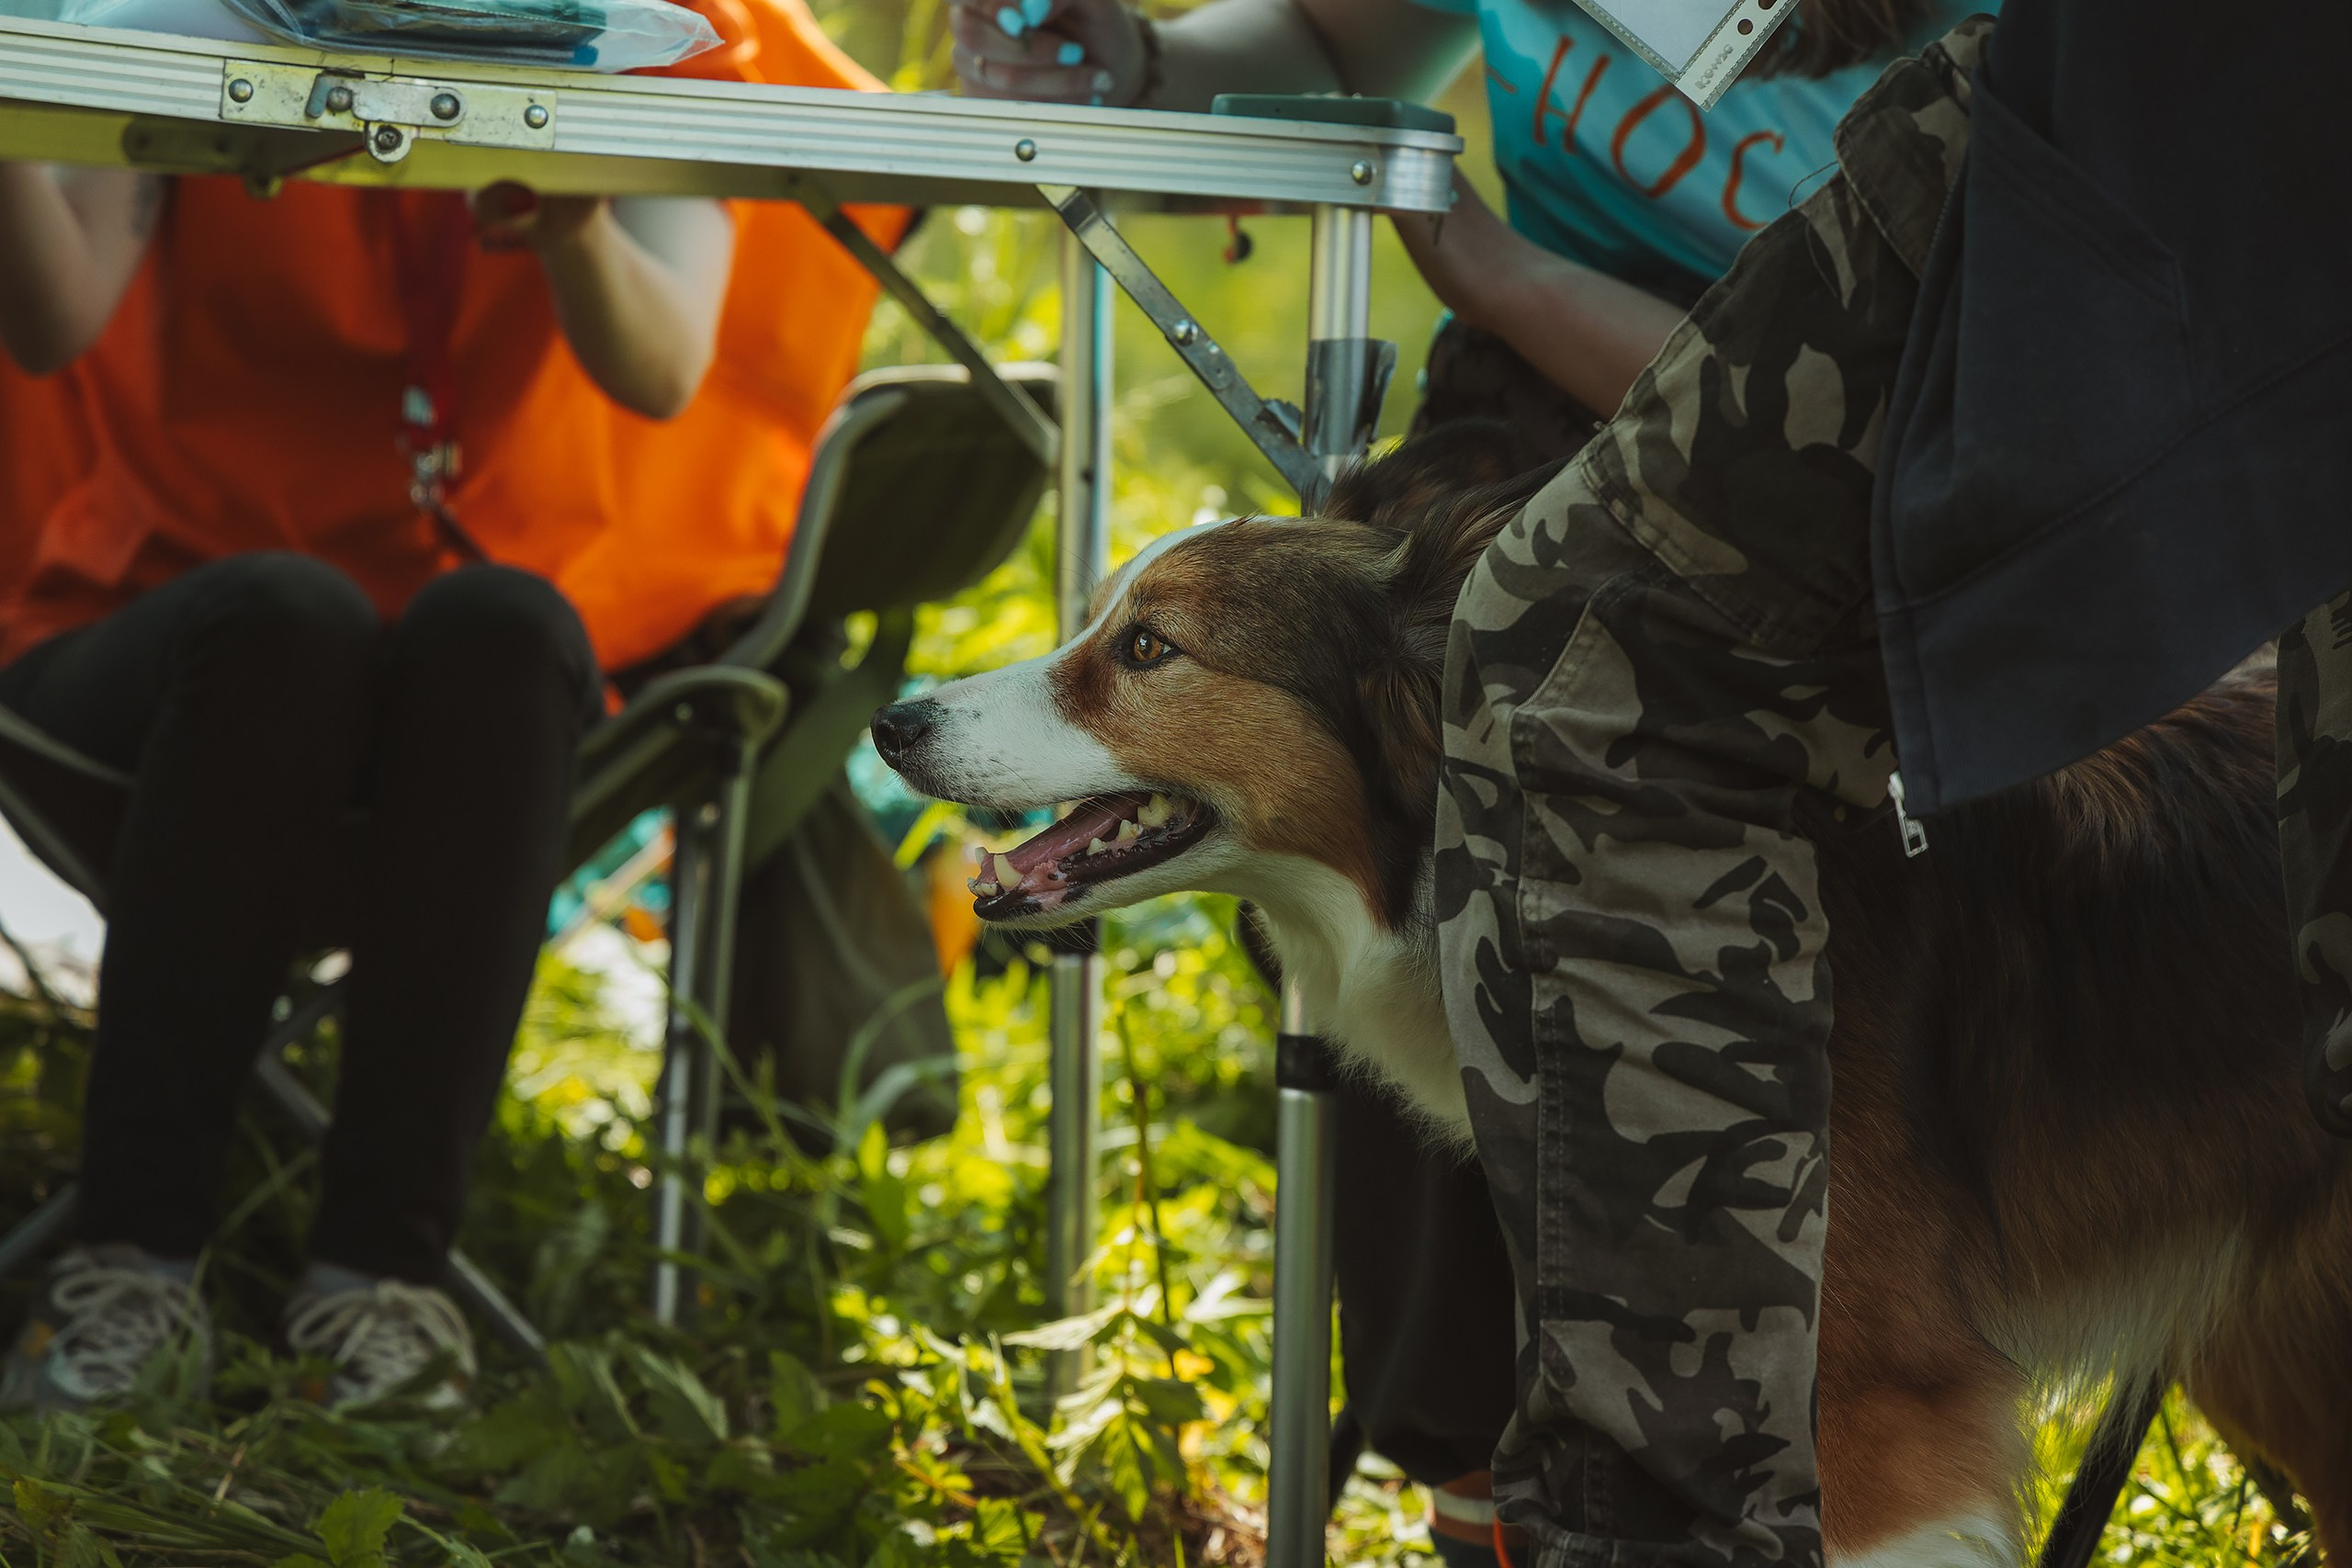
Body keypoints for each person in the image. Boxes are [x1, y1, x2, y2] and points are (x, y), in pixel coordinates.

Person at [950, 0, 1985, 1559]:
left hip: (1860, 447)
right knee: (1361, 776)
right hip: (1521, 413)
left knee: (1554, 788)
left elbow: (1940, 409)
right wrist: (1132, 59)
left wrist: (1494, 269)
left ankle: (1780, 1406)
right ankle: (1470, 1467)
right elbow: (1337, 45)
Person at [0, 0, 900, 1413]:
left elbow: (662, 369)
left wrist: (573, 229)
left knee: (510, 624)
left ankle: (381, 1285)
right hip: (152, 641)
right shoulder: (177, 17)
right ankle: (129, 1261)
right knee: (289, 616)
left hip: (458, 704)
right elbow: (50, 325)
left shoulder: (648, 36)